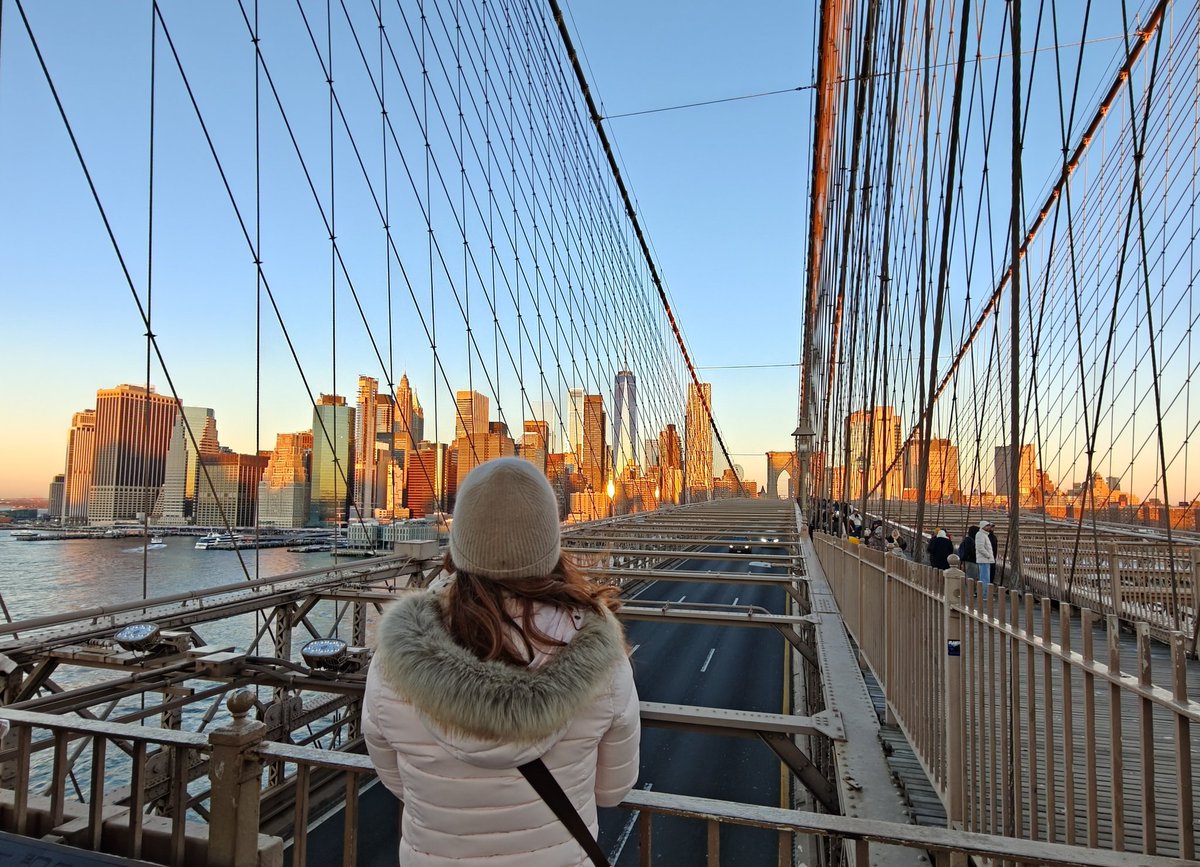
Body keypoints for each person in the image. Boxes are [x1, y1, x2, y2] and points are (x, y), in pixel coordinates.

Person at [363, 457, 641, 865]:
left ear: (460, 545)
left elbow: (397, 780)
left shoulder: (394, 665)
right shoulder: (603, 663)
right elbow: (612, 791)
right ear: (550, 545)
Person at [975, 520, 997, 588]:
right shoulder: (980, 535)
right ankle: (985, 595)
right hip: (984, 559)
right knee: (985, 579)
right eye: (987, 526)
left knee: (986, 578)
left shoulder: (984, 535)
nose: (989, 527)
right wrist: (988, 555)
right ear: (983, 527)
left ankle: (985, 594)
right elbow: (980, 547)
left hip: (986, 560)